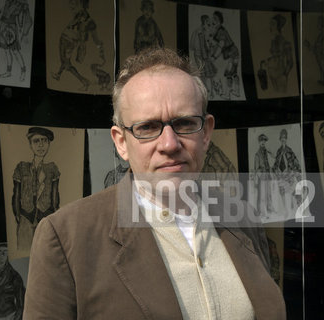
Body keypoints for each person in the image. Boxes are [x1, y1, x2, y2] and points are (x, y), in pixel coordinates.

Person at [24, 48, 285, 319]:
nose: (170, 144)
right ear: (121, 142)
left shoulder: (242, 218)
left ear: (206, 133)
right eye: (147, 128)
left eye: (184, 123)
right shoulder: (67, 238)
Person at [12, 127, 60, 252]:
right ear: (30, 144)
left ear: (49, 143)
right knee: (24, 249)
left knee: (46, 252)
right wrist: (17, 214)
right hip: (25, 218)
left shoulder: (52, 168)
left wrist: (54, 215)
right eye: (36, 141)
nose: (40, 145)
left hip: (46, 217)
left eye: (44, 141)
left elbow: (55, 196)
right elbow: (16, 194)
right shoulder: (22, 167)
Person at [0, 0, 33, 81]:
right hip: (2, 25)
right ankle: (8, 72)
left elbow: (26, 20)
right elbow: (3, 12)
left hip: (11, 27)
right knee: (6, 51)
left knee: (15, 51)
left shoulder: (22, 3)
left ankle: (23, 72)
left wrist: (23, 32)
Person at [267, 14, 293, 93]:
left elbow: (290, 62)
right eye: (270, 23)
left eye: (273, 24)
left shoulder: (284, 41)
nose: (270, 25)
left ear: (279, 26)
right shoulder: (273, 39)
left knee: (281, 94)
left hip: (280, 74)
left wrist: (285, 75)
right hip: (272, 73)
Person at [254, 133, 275, 218]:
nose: (263, 142)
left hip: (268, 175)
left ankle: (270, 209)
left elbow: (273, 158)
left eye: (264, 141)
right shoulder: (257, 154)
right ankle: (263, 212)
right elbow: (256, 169)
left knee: (269, 194)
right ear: (259, 142)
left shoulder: (267, 152)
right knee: (262, 195)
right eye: (261, 141)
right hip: (262, 177)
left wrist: (270, 151)